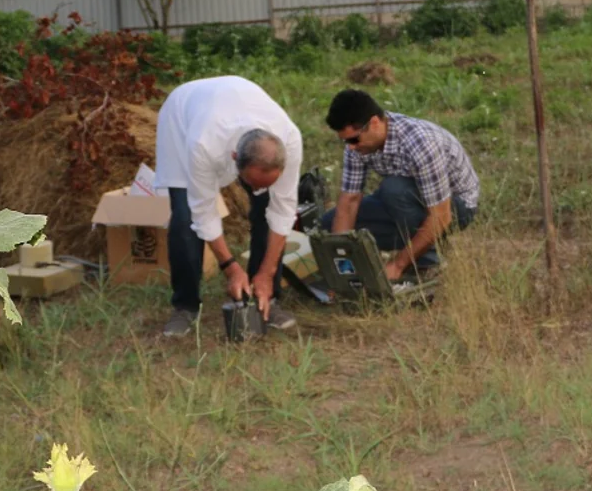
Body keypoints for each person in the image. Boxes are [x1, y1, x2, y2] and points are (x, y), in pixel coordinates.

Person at [154, 75, 302, 337]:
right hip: (182, 117)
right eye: (252, 182)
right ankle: (185, 307)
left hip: (234, 99)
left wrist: (266, 272)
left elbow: (283, 212)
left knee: (267, 209)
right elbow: (204, 213)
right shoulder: (202, 144)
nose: (256, 189)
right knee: (184, 216)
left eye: (265, 183)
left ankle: (268, 296)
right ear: (235, 159)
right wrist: (231, 268)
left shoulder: (289, 140)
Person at [320, 89, 478, 278]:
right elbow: (349, 201)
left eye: (354, 139)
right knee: (330, 226)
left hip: (454, 207)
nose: (351, 147)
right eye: (346, 141)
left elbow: (441, 216)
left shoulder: (421, 144)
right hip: (405, 201)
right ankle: (424, 246)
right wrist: (342, 263)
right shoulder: (356, 146)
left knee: (394, 190)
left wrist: (397, 265)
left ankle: (427, 263)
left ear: (374, 123)